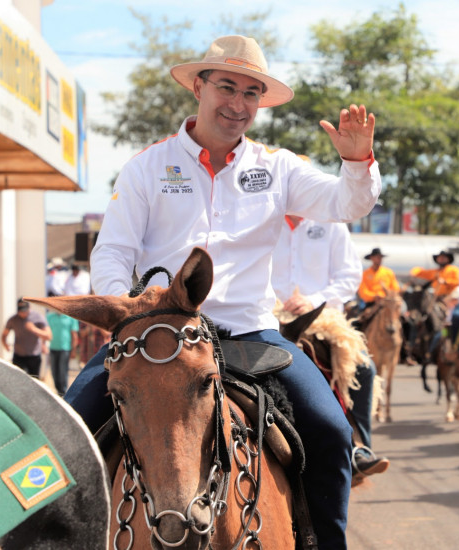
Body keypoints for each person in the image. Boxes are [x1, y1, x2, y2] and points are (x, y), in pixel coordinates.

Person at [64, 35, 382, 549]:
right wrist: (129, 312)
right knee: (64, 434)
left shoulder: (277, 167)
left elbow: (347, 203)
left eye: (251, 93)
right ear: (199, 85)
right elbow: (113, 252)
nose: (238, 104)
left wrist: (357, 161)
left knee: (331, 432)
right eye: (227, 87)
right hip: (159, 333)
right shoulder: (147, 166)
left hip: (251, 334)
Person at [272, 215, 389, 479]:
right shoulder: (260, 215)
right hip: (267, 313)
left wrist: (312, 300)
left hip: (321, 316)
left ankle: (359, 448)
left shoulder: (330, 223)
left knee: (363, 368)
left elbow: (349, 275)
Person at [2, 298, 52, 378]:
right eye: (20, 310)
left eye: (24, 310)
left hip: (34, 356)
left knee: (34, 381)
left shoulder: (38, 317)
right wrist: (5, 344)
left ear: (29, 308)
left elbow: (48, 335)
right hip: (19, 356)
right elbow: (4, 334)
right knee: (19, 380)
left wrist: (34, 329)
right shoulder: (13, 319)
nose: (22, 313)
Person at [46, 307, 79, 396]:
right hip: (53, 347)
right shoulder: (49, 317)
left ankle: (63, 392)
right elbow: (46, 331)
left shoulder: (70, 318)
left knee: (62, 371)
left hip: (65, 348)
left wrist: (73, 350)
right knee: (54, 371)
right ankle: (58, 390)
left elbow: (74, 335)